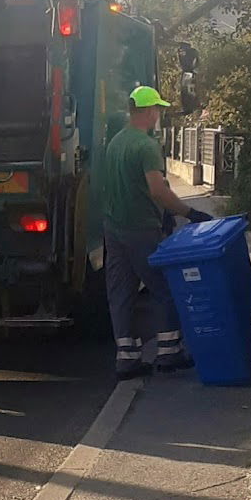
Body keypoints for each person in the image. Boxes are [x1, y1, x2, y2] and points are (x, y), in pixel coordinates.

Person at [97, 85, 212, 380]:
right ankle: (169, 352)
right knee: (163, 287)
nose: (159, 114)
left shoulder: (116, 143)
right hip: (141, 229)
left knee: (121, 293)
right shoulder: (145, 145)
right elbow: (157, 189)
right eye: (158, 109)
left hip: (114, 228)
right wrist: (187, 213)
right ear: (148, 111)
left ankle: (127, 359)